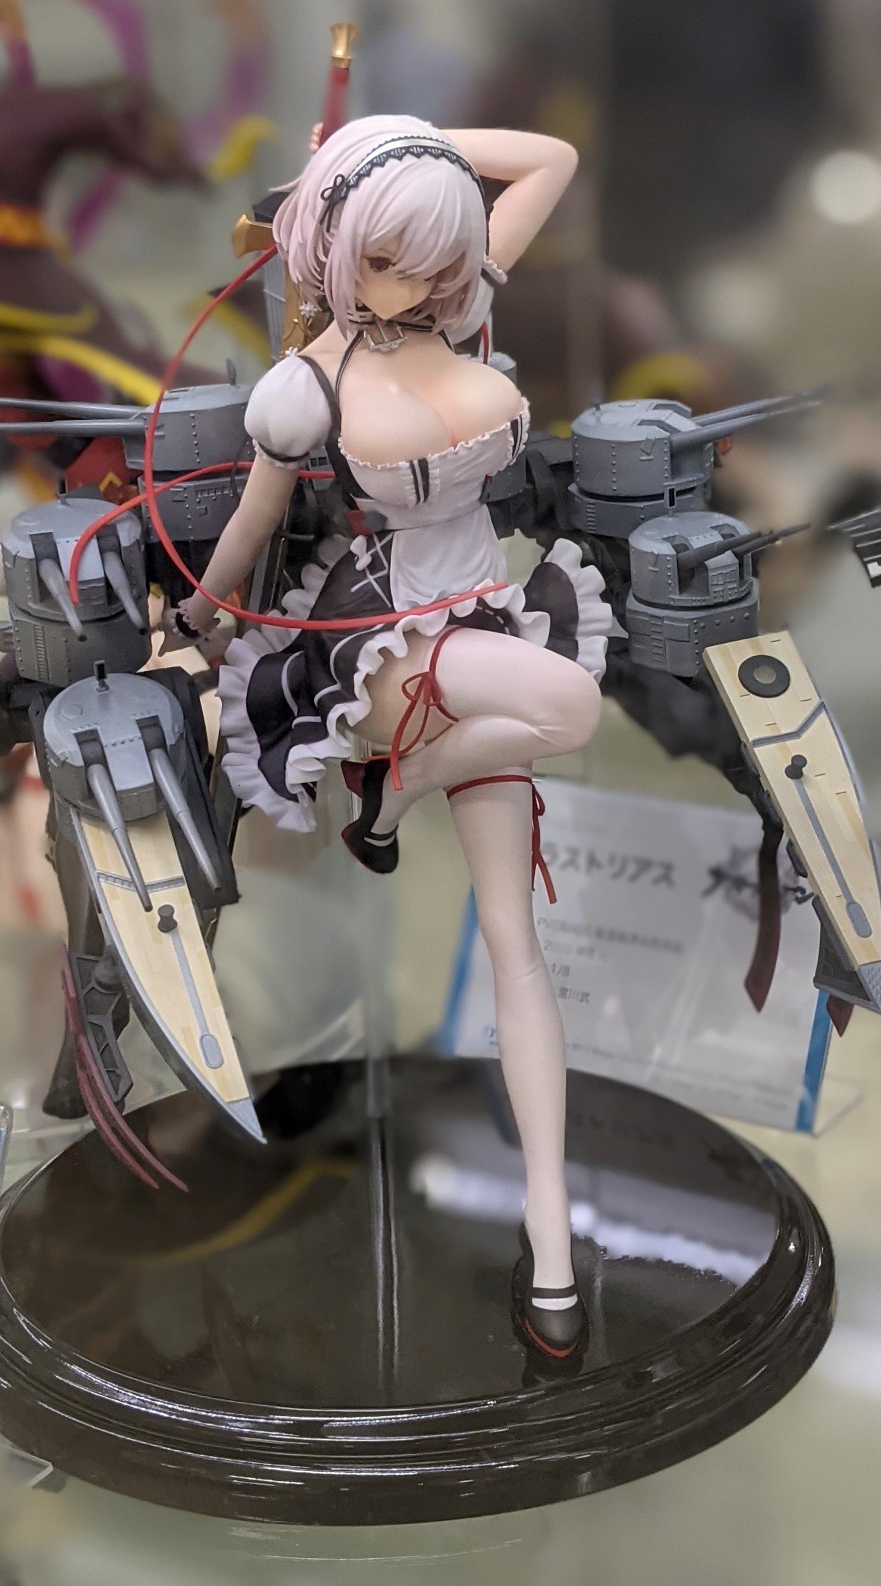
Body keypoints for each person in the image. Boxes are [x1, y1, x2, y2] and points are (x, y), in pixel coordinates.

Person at [167, 114, 611, 1359]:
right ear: (329, 246)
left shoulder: (461, 305)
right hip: (386, 655)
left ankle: (549, 1241)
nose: (413, 285)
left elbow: (552, 160)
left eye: (432, 258)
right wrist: (196, 622)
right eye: (382, 259)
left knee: (514, 940)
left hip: (486, 628)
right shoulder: (299, 389)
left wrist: (399, 147)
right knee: (572, 705)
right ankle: (397, 783)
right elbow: (251, 530)